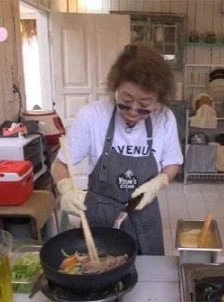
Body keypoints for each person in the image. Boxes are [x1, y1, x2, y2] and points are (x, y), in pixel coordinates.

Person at [51, 44, 183, 255]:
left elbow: (172, 162)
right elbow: (60, 164)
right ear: (115, 89)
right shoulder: (92, 116)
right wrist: (66, 188)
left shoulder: (165, 118)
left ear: (159, 100)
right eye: (125, 101)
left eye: (144, 105)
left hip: (143, 213)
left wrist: (159, 183)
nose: (132, 112)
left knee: (150, 276)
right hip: (99, 217)